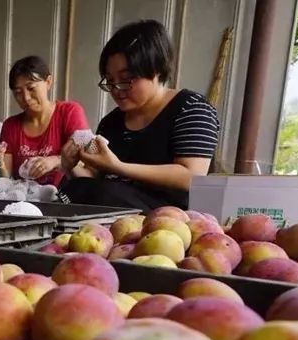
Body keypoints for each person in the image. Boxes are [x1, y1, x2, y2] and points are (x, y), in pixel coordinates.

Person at [59, 20, 220, 211]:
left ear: (157, 70)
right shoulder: (111, 122)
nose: (117, 89)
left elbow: (191, 177)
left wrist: (118, 167)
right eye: (110, 81)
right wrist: (70, 166)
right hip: (115, 216)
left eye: (127, 79)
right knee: (73, 188)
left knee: (107, 193)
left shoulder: (191, 108)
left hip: (170, 220)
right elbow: (93, 181)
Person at [0, 56, 89, 187]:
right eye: (18, 92)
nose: (26, 98)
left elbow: (85, 165)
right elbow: (6, 180)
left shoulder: (69, 112)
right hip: (25, 201)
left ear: (48, 82)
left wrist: (55, 161)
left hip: (64, 197)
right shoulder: (10, 126)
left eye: (31, 88)